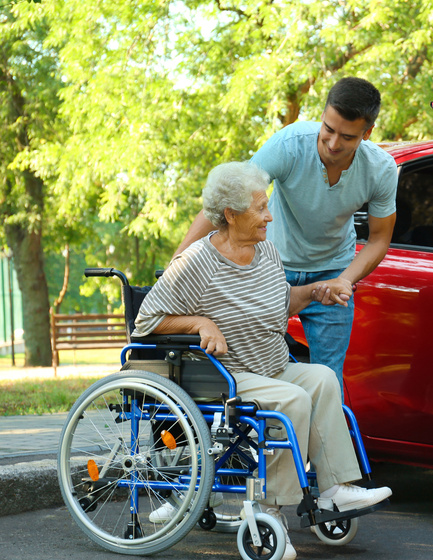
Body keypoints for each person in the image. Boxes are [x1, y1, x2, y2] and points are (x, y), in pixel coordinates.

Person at [135, 162, 392, 560]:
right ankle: (270, 509)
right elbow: (146, 322)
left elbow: (279, 301)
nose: (270, 217)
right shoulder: (195, 263)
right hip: (229, 376)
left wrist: (315, 292)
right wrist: (200, 322)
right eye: (260, 209)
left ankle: (335, 489)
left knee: (323, 378)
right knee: (293, 398)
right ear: (231, 215)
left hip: (272, 364)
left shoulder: (265, 251)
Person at [174, 77, 398, 397]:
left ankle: (315, 446)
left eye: (347, 137)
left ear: (367, 133)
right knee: (253, 367)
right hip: (270, 266)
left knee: (328, 378)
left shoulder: (381, 169)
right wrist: (179, 262)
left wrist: (345, 280)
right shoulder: (291, 144)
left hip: (332, 269)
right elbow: (229, 202)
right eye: (328, 129)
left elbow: (378, 239)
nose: (333, 143)